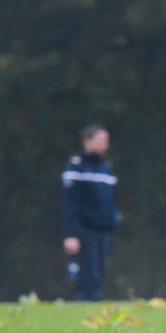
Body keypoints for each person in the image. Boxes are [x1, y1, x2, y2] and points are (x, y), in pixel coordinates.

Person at [62, 125, 119, 300]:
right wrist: (71, 234)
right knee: (87, 275)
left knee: (99, 273)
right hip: (84, 230)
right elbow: (70, 204)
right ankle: (84, 308)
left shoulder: (105, 167)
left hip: (103, 230)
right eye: (102, 140)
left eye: (106, 141)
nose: (105, 145)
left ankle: (93, 305)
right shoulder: (76, 166)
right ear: (87, 141)